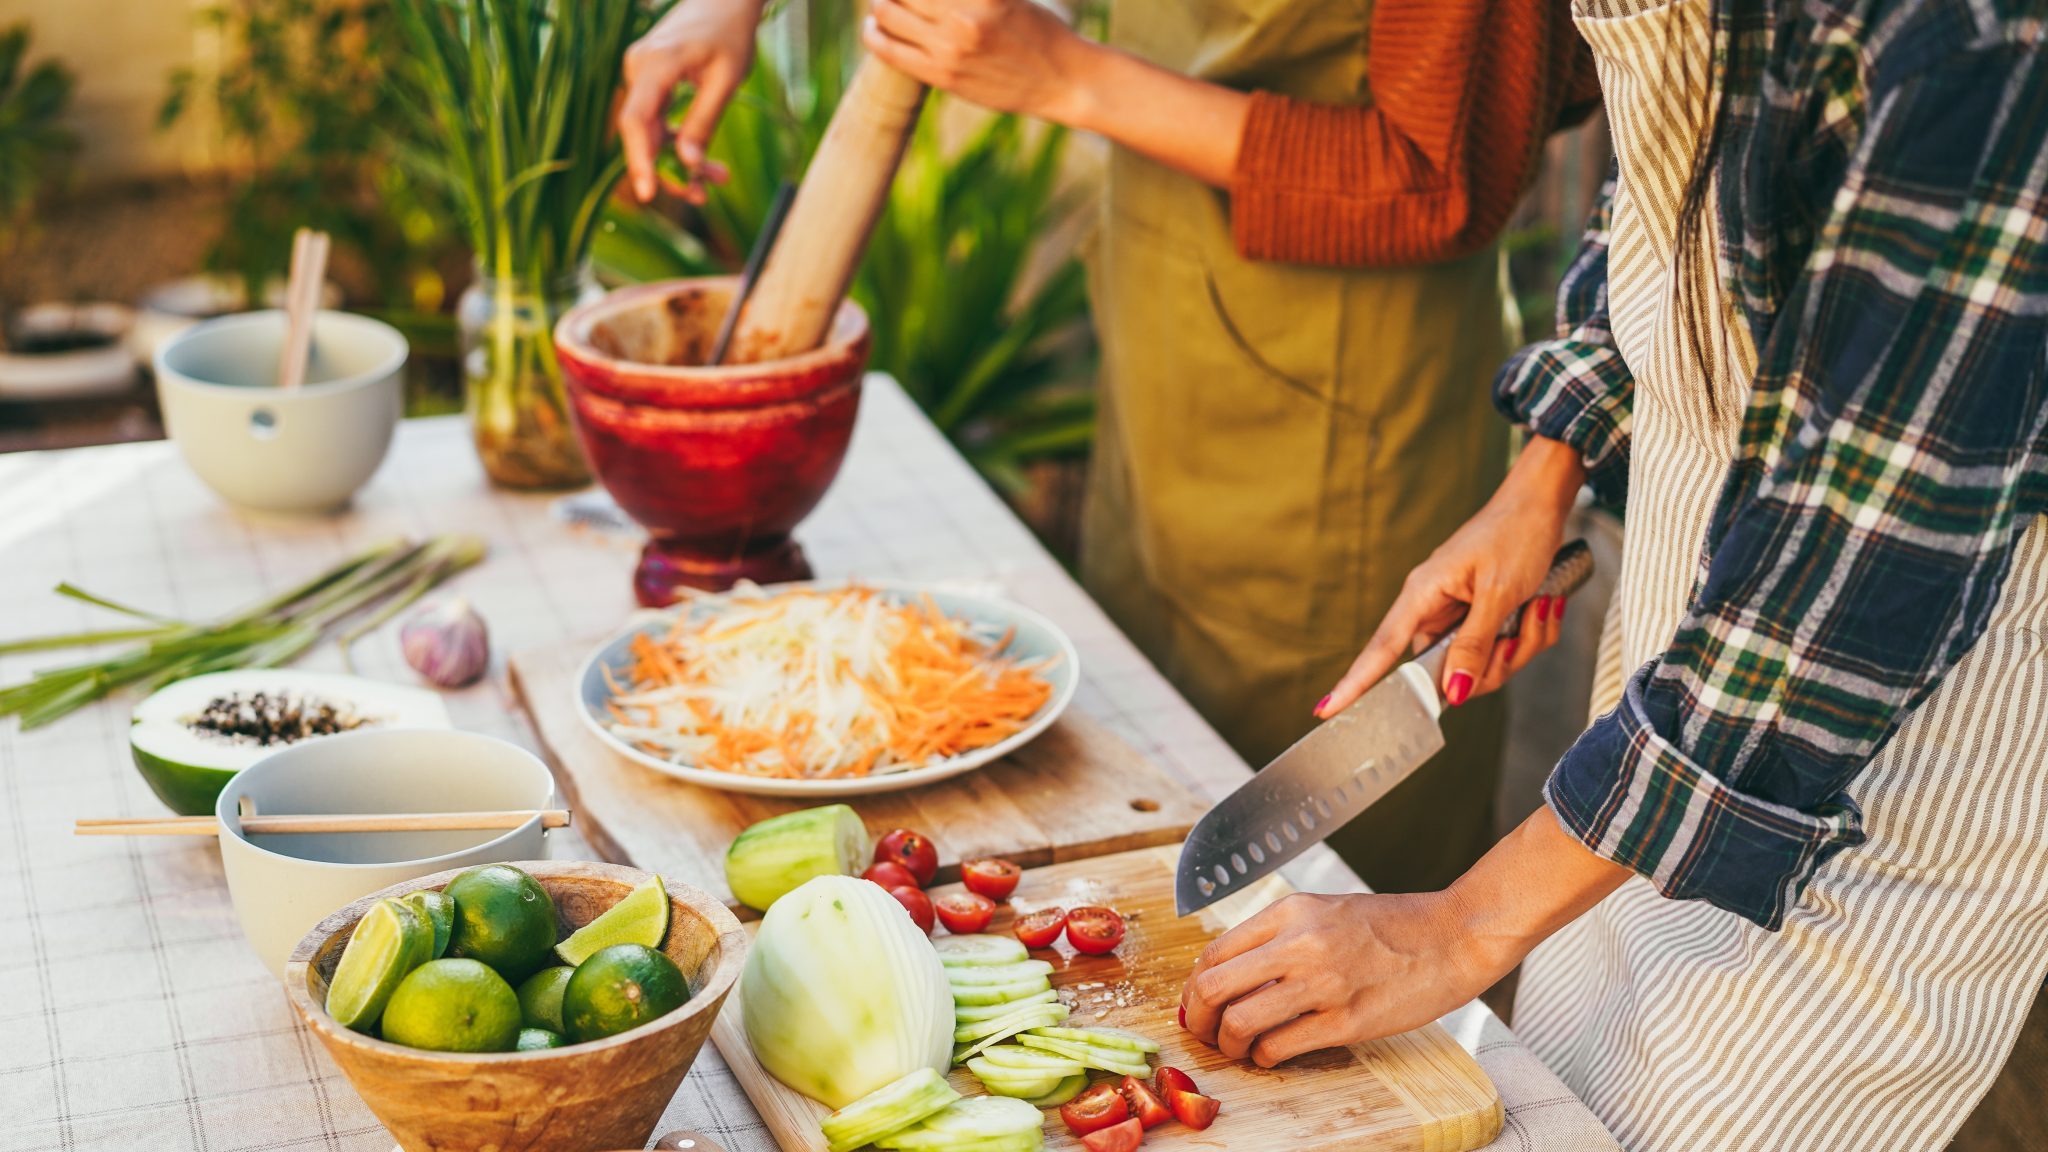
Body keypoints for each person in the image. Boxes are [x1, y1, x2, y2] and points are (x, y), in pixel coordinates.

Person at [1179, 1, 2048, 1149]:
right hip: (1687, 656)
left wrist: (1456, 930)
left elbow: (1847, 567)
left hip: (1891, 723)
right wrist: (1547, 465)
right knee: (1559, 1094)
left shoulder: (1981, 39)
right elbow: (1660, 172)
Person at [617, 0, 1600, 895]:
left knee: (1329, 891)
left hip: (1343, 414)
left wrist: (1067, 77)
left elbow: (1437, 182)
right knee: (1148, 791)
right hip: (1173, 335)